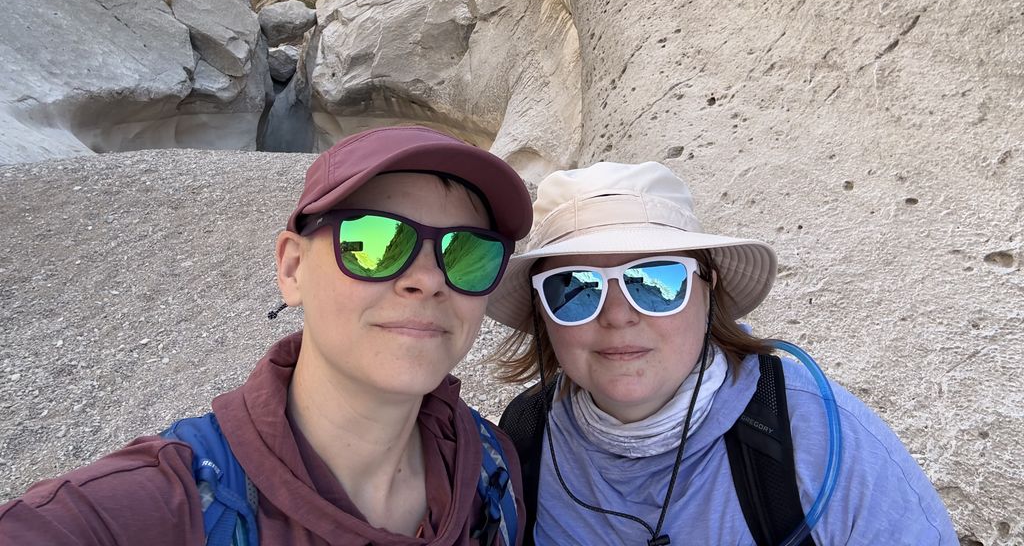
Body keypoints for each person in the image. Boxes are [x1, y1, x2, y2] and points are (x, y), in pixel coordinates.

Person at [0, 125, 533, 546]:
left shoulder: (493, 468)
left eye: (468, 252)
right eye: (374, 242)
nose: (429, 279)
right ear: (292, 268)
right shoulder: (166, 502)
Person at [486, 161, 958, 546]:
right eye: (574, 287)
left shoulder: (819, 438)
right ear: (543, 313)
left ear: (707, 291)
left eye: (655, 280)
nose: (617, 315)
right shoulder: (524, 438)